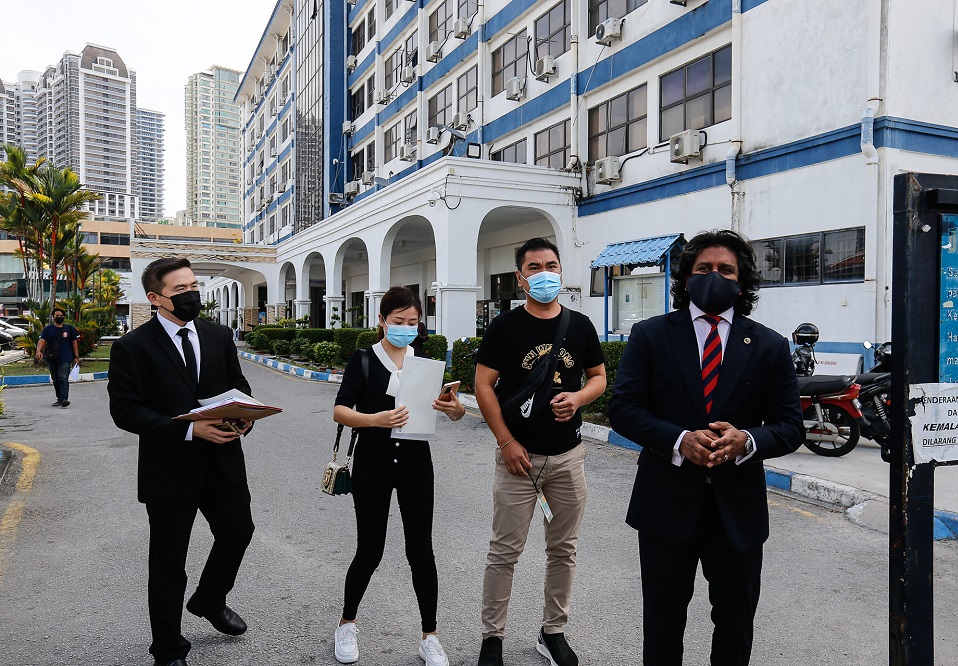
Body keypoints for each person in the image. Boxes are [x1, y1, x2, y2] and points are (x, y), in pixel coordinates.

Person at [608, 229, 804, 666]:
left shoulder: (770, 345)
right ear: (686, 277)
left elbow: (791, 426)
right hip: (665, 507)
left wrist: (747, 440)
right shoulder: (651, 335)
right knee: (662, 625)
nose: (715, 276)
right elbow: (623, 408)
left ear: (742, 281)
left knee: (735, 626)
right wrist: (679, 440)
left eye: (726, 269)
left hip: (738, 513)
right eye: (704, 268)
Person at [108, 257, 256, 666]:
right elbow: (126, 411)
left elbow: (237, 386)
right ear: (156, 298)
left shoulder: (218, 335)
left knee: (238, 533)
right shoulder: (132, 347)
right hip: (169, 470)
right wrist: (190, 430)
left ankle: (210, 599)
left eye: (194, 285)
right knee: (169, 563)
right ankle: (168, 649)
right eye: (180, 290)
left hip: (223, 461)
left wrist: (242, 418)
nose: (191, 294)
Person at [474, 237, 607, 666]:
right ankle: (492, 638)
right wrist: (507, 442)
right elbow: (483, 387)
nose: (544, 272)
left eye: (551, 265)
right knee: (504, 552)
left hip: (568, 458)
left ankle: (553, 633)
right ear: (521, 277)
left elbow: (599, 377)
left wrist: (580, 399)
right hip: (518, 459)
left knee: (563, 549)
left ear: (561, 271)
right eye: (534, 267)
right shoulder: (505, 328)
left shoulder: (581, 325)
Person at [332, 286, 466, 666]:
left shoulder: (423, 360)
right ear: (381, 321)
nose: (406, 328)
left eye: (413, 322)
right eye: (398, 322)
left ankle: (430, 636)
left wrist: (452, 408)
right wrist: (374, 419)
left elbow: (451, 413)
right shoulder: (363, 360)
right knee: (370, 549)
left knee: (420, 549)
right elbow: (340, 411)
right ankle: (346, 624)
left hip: (415, 465)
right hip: (372, 464)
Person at [35, 307, 80, 408]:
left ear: (64, 317)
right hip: (52, 358)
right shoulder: (47, 329)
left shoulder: (69, 329)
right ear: (53, 317)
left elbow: (74, 343)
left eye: (61, 316)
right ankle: (59, 398)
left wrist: (76, 356)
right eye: (57, 316)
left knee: (63, 378)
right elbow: (42, 341)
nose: (59, 317)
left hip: (66, 358)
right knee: (55, 379)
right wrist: (38, 351)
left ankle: (64, 399)